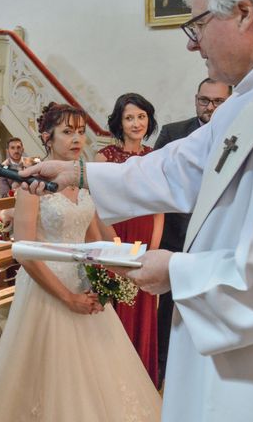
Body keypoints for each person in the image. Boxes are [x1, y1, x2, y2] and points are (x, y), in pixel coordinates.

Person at [21, 0, 253, 420]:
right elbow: (179, 167)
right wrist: (76, 172)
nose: (191, 43)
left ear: (243, 13)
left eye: (196, 25)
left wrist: (176, 272)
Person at [0, 103, 161, 421]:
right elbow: (25, 252)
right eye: (68, 132)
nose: (77, 139)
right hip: (47, 288)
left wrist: (120, 269)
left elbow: (94, 238)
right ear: (47, 137)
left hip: (84, 283)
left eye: (81, 132)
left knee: (100, 376)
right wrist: (68, 297)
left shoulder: (81, 179)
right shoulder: (32, 185)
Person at [153, 77, 231, 387]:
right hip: (177, 238)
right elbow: (157, 179)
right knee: (169, 313)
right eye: (204, 100)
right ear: (195, 99)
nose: (209, 107)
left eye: (217, 102)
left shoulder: (241, 131)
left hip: (218, 239)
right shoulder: (174, 133)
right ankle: (163, 369)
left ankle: (204, 376)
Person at [94, 93, 163, 385]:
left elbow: (160, 207)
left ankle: (140, 382)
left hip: (147, 237)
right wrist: (116, 249)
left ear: (149, 120)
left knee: (143, 305)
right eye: (129, 117)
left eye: (141, 116)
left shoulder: (155, 157)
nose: (136, 123)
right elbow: (95, 208)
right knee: (116, 308)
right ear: (119, 122)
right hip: (115, 237)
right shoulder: (104, 157)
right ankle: (112, 382)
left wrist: (153, 249)